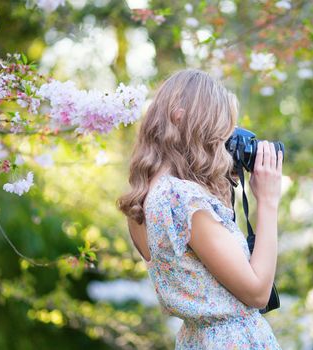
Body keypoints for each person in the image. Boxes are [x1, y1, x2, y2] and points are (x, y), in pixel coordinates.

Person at [116, 68, 283, 349]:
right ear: (183, 119)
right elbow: (257, 293)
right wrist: (267, 201)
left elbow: (204, 280)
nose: (223, 143)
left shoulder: (143, 201)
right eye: (219, 130)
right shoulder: (182, 199)